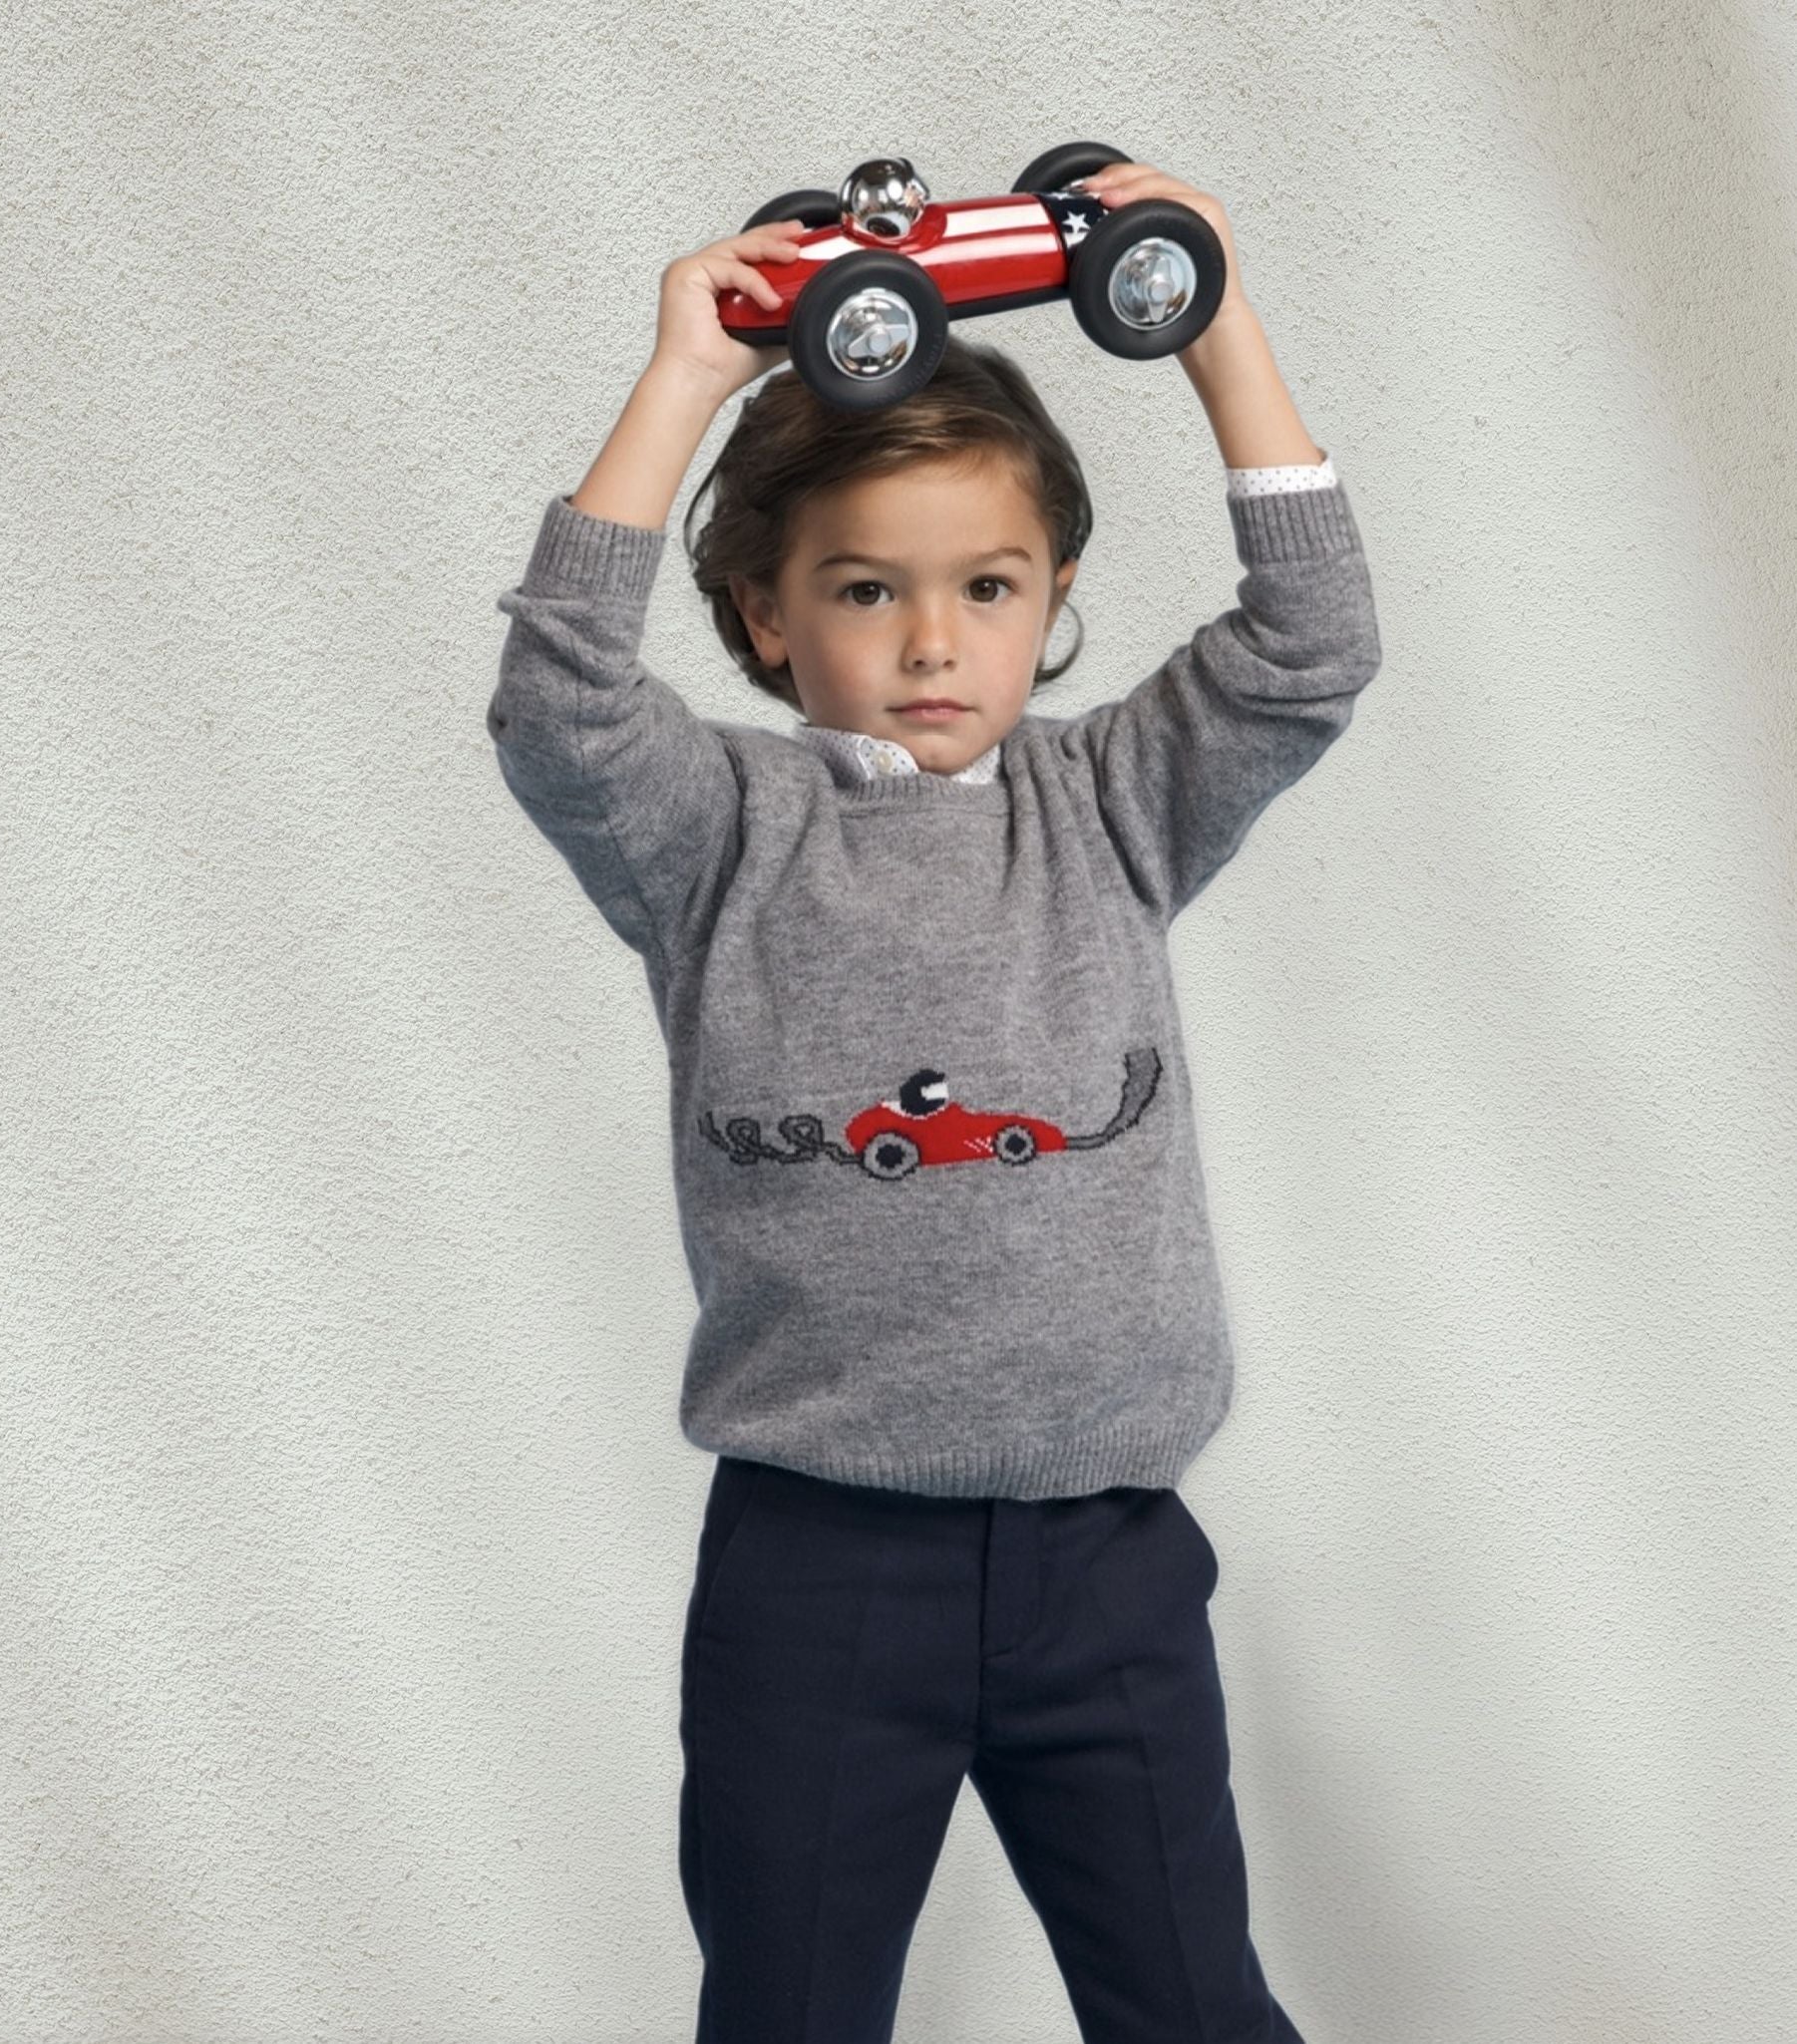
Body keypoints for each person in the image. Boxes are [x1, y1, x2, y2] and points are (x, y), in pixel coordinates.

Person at [487, 162, 1381, 2044]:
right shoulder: (716, 835)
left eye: (985, 588)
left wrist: (1207, 316)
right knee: (792, 2008)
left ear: (1052, 593)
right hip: (820, 1569)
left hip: (1106, 1557)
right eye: (863, 589)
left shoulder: (1115, 804)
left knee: (1193, 2005)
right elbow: (559, 703)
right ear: (759, 612)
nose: (927, 642)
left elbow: (1310, 647)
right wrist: (683, 380)